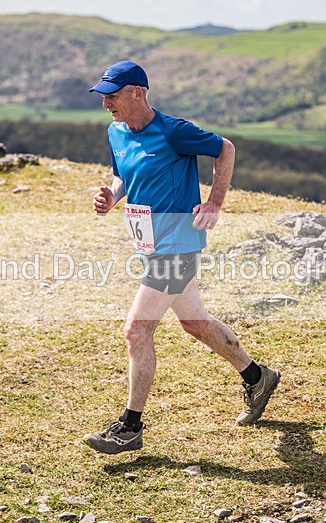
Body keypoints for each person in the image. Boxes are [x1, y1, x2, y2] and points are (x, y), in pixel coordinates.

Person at [84, 60, 280, 454]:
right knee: (194, 322)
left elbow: (224, 149)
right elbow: (125, 175)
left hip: (178, 246)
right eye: (103, 96)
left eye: (113, 96)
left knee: (136, 331)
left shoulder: (173, 131)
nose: (106, 103)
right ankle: (258, 377)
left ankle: (130, 426)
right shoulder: (116, 132)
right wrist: (112, 195)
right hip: (151, 245)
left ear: (137, 92)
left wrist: (214, 203)